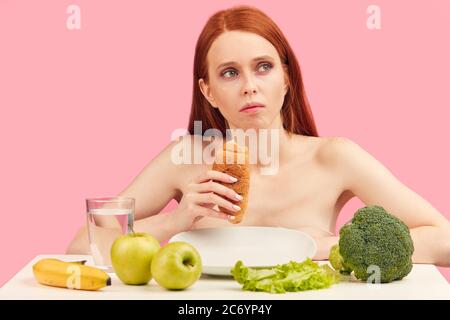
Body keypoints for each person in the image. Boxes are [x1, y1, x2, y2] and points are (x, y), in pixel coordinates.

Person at [67, 5, 450, 264]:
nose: (249, 86)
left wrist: (333, 248)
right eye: (229, 73)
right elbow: (83, 245)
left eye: (263, 67)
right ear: (208, 92)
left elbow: (444, 239)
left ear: (286, 78)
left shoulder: (334, 157)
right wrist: (175, 221)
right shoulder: (184, 158)